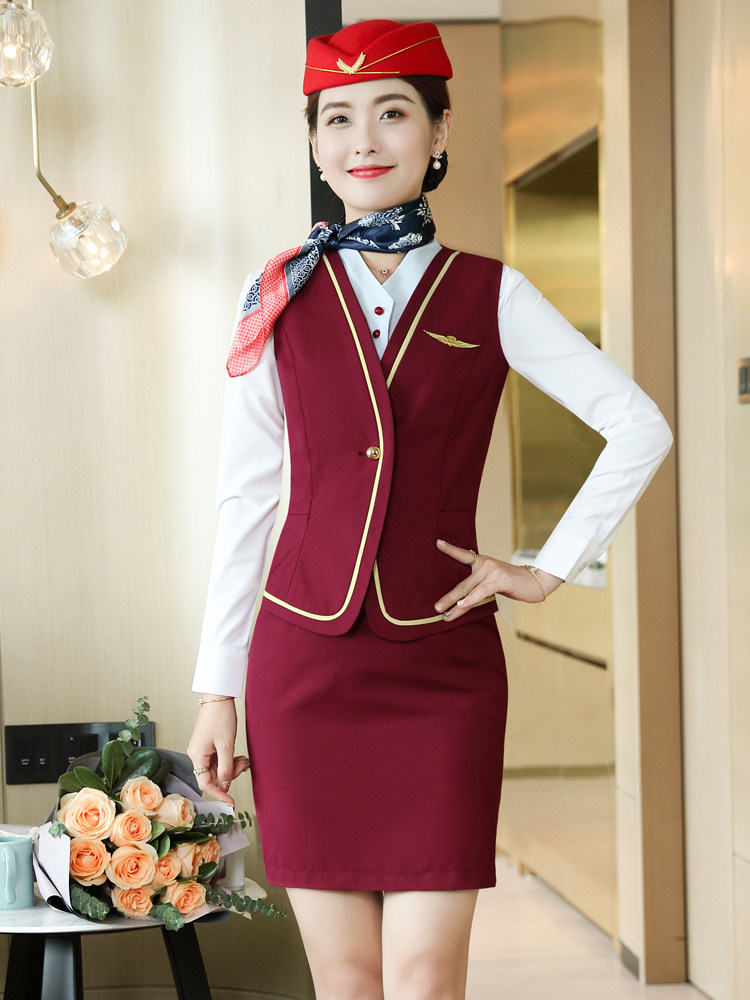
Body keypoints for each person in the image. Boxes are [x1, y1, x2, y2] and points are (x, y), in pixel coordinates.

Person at [187, 18, 672, 1000]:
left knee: (423, 974)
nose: (363, 139)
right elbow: (246, 496)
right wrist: (216, 687)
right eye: (338, 118)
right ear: (315, 143)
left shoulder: (493, 293)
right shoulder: (275, 292)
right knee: (346, 975)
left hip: (442, 674)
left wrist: (545, 567)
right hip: (302, 667)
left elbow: (639, 424)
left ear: (439, 131)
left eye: (393, 112)